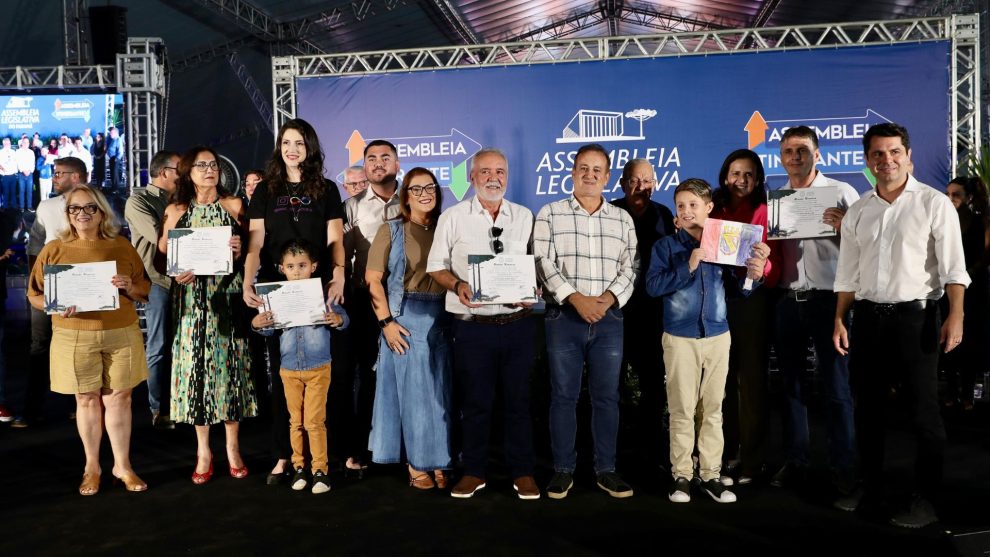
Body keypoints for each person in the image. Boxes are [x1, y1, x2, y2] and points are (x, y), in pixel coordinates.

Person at [833, 123, 970, 528]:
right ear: (868, 160)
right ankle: (870, 487)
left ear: (908, 156)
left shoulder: (933, 204)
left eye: (894, 152)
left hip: (918, 318)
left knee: (924, 413)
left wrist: (956, 315)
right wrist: (840, 319)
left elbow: (954, 269)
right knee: (868, 411)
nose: (886, 160)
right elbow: (848, 274)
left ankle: (926, 498)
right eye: (878, 154)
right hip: (869, 320)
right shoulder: (858, 209)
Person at [645, 178, 769, 504]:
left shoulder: (725, 244)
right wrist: (688, 266)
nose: (686, 211)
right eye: (681, 205)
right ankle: (682, 474)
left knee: (713, 409)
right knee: (682, 410)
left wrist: (754, 272)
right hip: (679, 337)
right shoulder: (665, 247)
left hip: (717, 335)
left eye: (693, 205)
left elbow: (740, 288)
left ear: (709, 207)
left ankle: (711, 473)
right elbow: (653, 287)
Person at [426, 148, 540, 500]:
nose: (494, 177)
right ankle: (474, 471)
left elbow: (536, 267)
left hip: (518, 324)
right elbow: (436, 265)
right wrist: (457, 285)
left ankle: (522, 472)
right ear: (472, 177)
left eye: (501, 171)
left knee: (519, 402)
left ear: (508, 176)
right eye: (486, 171)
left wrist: (532, 289)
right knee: (475, 403)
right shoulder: (453, 216)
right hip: (472, 326)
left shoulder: (524, 216)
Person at [27, 185, 151, 495]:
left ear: (102, 212)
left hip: (121, 332)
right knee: (86, 399)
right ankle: (92, 466)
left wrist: (128, 287)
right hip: (74, 335)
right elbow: (34, 296)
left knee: (120, 398)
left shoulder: (122, 246)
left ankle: (122, 465)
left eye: (89, 208)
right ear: (67, 214)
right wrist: (55, 305)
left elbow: (145, 291)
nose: (82, 214)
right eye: (74, 209)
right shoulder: (53, 249)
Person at [242, 118, 346, 485]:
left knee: (322, 369)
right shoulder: (266, 190)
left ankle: (324, 457)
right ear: (279, 148)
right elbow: (255, 241)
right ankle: (284, 455)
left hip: (316, 286)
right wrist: (247, 279)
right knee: (280, 372)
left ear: (310, 147)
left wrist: (340, 274)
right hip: (277, 286)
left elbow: (336, 239)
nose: (292, 149)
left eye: (300, 143)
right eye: (287, 142)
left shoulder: (328, 189)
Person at [534, 143, 638, 499]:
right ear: (573, 172)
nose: (589, 174)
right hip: (564, 316)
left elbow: (632, 266)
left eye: (597, 170)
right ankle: (563, 470)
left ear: (608, 177)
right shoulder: (550, 212)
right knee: (563, 396)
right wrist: (576, 299)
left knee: (606, 397)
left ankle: (606, 469)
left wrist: (607, 300)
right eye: (583, 168)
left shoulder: (622, 219)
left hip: (609, 319)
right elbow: (543, 261)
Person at [768, 126, 860, 502]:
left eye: (802, 150)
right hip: (789, 299)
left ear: (817, 154)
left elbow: (865, 248)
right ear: (780, 156)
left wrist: (846, 229)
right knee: (791, 386)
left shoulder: (842, 192)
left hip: (830, 301)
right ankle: (797, 460)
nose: (794, 157)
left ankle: (844, 469)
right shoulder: (778, 198)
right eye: (788, 151)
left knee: (838, 390)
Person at [159, 146, 257, 485]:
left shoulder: (234, 206)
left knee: (229, 368)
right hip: (189, 301)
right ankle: (203, 450)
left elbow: (253, 252)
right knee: (196, 370)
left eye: (213, 165)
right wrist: (175, 271)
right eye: (201, 165)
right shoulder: (176, 210)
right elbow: (162, 255)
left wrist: (240, 249)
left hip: (227, 297)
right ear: (188, 172)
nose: (208, 170)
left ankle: (232, 447)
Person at [366, 167, 452, 490]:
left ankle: (441, 458)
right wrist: (387, 323)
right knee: (414, 396)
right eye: (416, 189)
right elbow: (372, 280)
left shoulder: (448, 227)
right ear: (406, 196)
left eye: (429, 187)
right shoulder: (391, 230)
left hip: (444, 320)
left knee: (441, 394)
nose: (424, 193)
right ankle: (417, 462)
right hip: (405, 319)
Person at [251, 239, 349, 495]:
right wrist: (257, 323)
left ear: (313, 267)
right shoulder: (275, 296)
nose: (296, 270)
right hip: (290, 368)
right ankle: (299, 467)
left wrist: (337, 318)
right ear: (282, 269)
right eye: (291, 266)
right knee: (295, 422)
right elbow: (268, 330)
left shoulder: (323, 294)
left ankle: (321, 470)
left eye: (302, 265)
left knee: (314, 422)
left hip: (318, 367)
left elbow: (344, 319)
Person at [711, 148, 778, 485]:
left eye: (750, 174)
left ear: (758, 179)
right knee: (720, 381)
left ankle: (752, 460)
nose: (742, 180)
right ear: (726, 175)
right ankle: (723, 456)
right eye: (736, 173)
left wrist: (761, 266)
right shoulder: (713, 207)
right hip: (714, 300)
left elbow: (774, 261)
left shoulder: (766, 210)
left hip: (752, 301)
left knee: (750, 382)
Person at [338, 140, 401, 477]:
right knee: (365, 374)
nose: (378, 164)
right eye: (371, 158)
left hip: (407, 300)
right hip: (365, 299)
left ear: (397, 162)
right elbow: (339, 256)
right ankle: (360, 447)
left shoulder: (415, 199)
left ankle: (407, 446)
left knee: (406, 374)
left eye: (385, 158)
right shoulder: (351, 206)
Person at [611, 158, 675, 469]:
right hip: (613, 315)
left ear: (655, 184)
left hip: (653, 317)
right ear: (622, 184)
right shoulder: (609, 212)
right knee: (612, 388)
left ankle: (654, 454)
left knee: (653, 389)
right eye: (634, 181)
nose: (641, 187)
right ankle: (615, 455)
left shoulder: (664, 215)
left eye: (647, 181)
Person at [17, 157, 85, 427]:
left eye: (60, 173)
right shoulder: (45, 206)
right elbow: (35, 244)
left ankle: (79, 406)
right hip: (50, 281)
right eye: (54, 174)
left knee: (79, 345)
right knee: (39, 345)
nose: (54, 177)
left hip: (83, 281)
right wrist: (35, 281)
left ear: (77, 177)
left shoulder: (97, 203)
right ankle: (33, 409)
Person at [124, 150, 179, 429]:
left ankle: (184, 402)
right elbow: (161, 236)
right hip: (157, 280)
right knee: (158, 345)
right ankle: (159, 408)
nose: (183, 175)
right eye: (180, 170)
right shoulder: (139, 200)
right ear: (164, 172)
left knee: (183, 344)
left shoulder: (183, 200)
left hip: (187, 279)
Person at [941, 176, 989, 412]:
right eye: (947, 194)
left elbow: (983, 257)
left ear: (969, 197)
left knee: (970, 342)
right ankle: (950, 391)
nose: (950, 199)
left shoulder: (979, 223)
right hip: (945, 290)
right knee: (948, 341)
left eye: (956, 195)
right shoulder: (941, 222)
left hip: (974, 290)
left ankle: (968, 393)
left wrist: (965, 275)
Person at [15, 137, 35, 210]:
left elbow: (33, 163)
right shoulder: (18, 152)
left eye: (27, 142)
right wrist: (23, 170)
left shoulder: (31, 152)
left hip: (30, 174)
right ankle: (22, 207)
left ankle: (29, 206)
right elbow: (18, 163)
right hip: (21, 174)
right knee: (21, 191)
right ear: (22, 143)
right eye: (24, 142)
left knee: (29, 191)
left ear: (29, 143)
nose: (26, 144)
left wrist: (29, 171)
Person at [0, 137, 16, 209]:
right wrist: (3, 168)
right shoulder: (0, 152)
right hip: (5, 175)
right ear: (3, 144)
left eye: (9, 143)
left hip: (13, 175)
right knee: (5, 192)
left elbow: (15, 162)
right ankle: (5, 206)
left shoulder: (13, 152)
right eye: (6, 143)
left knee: (13, 192)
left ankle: (14, 205)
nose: (8, 144)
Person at [106, 127, 123, 193]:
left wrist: (117, 158)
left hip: (115, 158)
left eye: (112, 132)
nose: (110, 134)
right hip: (112, 158)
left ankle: (116, 188)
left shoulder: (118, 139)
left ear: (116, 133)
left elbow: (120, 151)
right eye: (110, 132)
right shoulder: (112, 139)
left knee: (115, 174)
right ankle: (113, 187)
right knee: (112, 173)